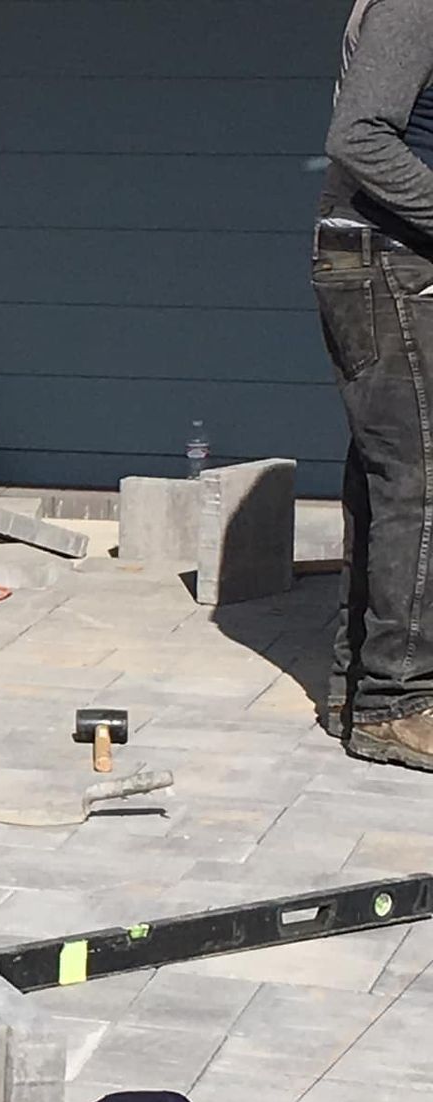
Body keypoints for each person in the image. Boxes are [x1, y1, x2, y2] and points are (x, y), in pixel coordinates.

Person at [315, 0, 433, 767]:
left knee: (388, 473)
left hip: (383, 256)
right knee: (419, 482)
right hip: (385, 257)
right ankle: (401, 702)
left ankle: (357, 692)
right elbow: (358, 136)